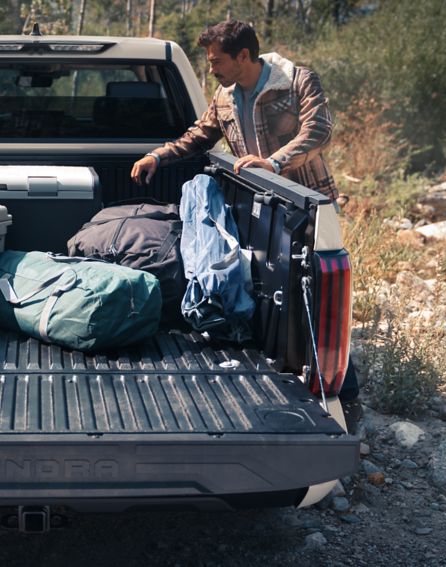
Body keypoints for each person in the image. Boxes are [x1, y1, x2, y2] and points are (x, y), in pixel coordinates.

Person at [131, 20, 361, 426]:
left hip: (306, 209)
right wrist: (159, 156)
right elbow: (199, 135)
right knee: (271, 294)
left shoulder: (296, 82)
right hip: (258, 210)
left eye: (217, 61)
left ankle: (345, 399)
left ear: (243, 56)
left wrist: (274, 163)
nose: (212, 69)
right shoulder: (224, 97)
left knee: (316, 301)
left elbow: (319, 130)